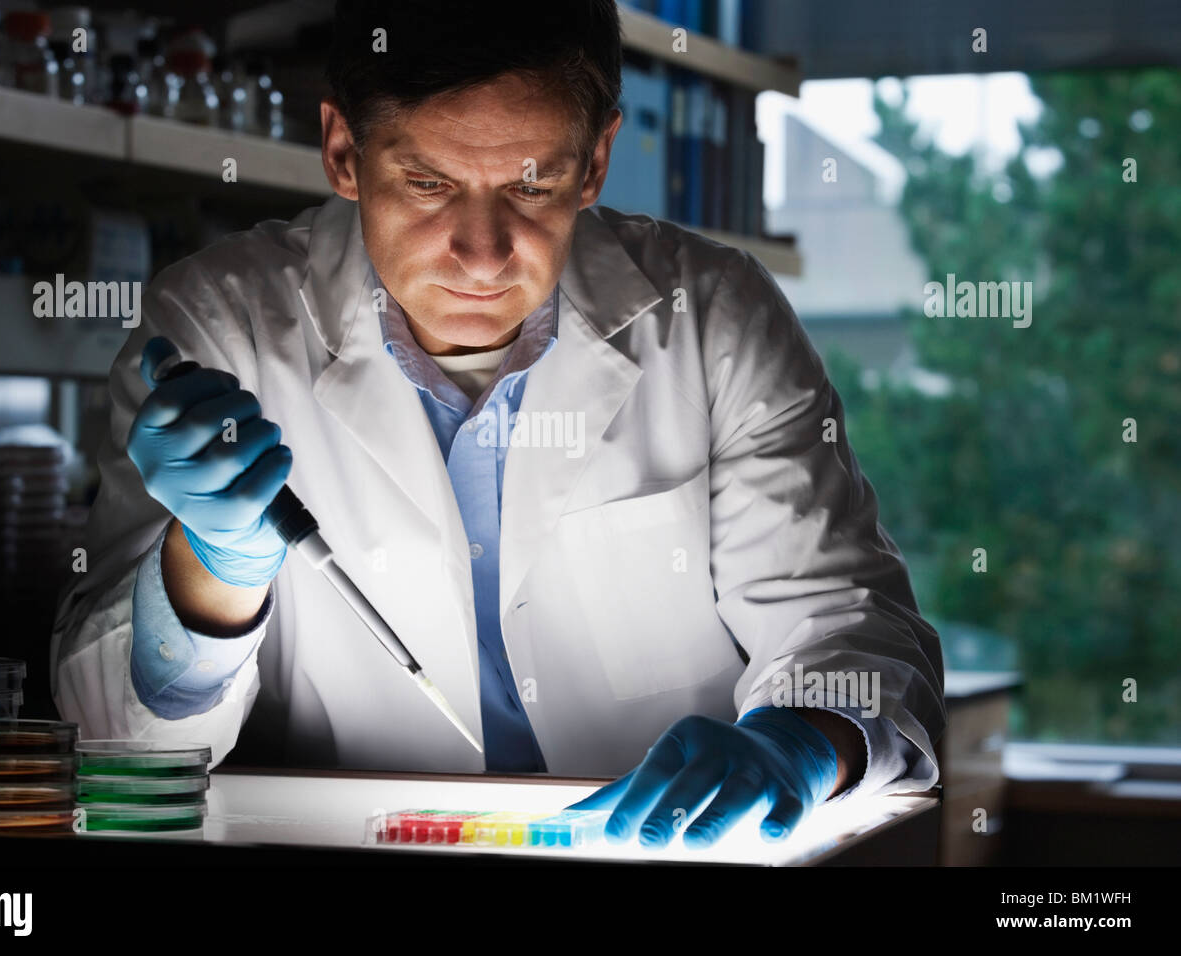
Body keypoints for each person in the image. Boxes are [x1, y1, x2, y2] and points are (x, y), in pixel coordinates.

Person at [52, 0, 945, 850]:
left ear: (595, 163)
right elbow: (117, 749)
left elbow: (851, 627)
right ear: (343, 153)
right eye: (428, 183)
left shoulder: (712, 316)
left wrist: (795, 742)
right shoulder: (218, 325)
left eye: (532, 185)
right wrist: (209, 571)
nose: (482, 253)